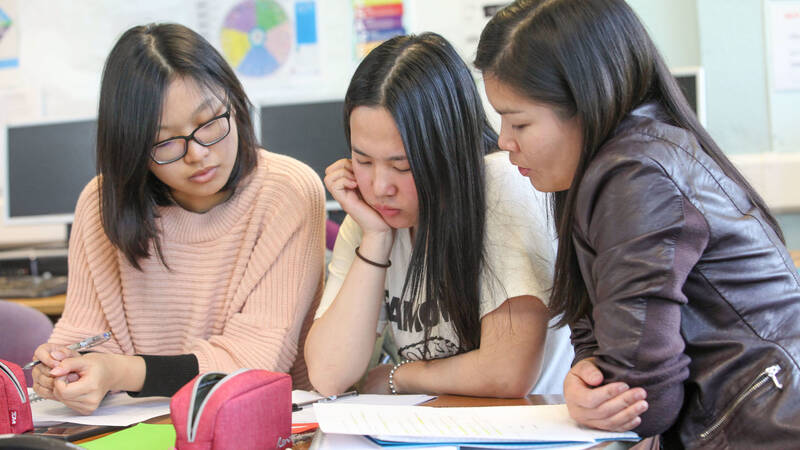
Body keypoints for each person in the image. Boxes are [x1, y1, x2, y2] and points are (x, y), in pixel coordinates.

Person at [475, 0, 800, 447]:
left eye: (519, 122)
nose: (504, 141)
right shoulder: (618, 160)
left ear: (587, 104)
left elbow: (644, 399)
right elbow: (599, 330)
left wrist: (601, 391)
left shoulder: (636, 174)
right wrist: (585, 375)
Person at [31, 23, 325, 414]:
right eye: (166, 141)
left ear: (234, 102)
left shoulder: (287, 190)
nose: (198, 154)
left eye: (209, 123)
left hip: (262, 423)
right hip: (135, 428)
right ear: (133, 147)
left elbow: (255, 358)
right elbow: (84, 336)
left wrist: (121, 372)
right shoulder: (102, 203)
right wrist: (63, 369)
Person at [304, 32, 573, 398]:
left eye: (403, 165)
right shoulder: (370, 218)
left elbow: (506, 373)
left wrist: (399, 376)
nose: (381, 186)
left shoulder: (500, 184)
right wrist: (377, 239)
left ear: (450, 148)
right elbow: (328, 374)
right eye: (363, 160)